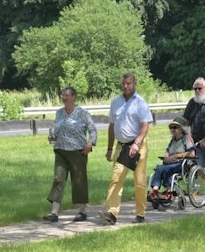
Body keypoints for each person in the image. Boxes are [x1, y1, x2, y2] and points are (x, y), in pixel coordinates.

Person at [102, 72, 154, 225]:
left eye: (129, 84)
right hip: (121, 146)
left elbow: (145, 125)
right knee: (116, 179)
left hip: (138, 145)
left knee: (139, 182)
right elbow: (112, 126)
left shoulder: (140, 103)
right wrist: (109, 148)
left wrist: (137, 143)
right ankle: (111, 213)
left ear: (134, 84)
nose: (126, 86)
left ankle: (140, 213)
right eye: (124, 84)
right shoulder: (116, 102)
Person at [44, 85, 95, 222]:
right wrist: (52, 137)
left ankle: (82, 211)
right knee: (58, 179)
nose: (64, 98)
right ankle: (54, 213)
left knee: (79, 181)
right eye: (63, 96)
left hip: (78, 152)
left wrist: (90, 144)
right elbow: (56, 129)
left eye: (67, 95)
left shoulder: (83, 113)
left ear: (73, 97)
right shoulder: (59, 113)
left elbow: (93, 130)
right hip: (61, 151)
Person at [149, 119, 191, 203]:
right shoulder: (173, 140)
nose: (172, 129)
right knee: (159, 168)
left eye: (174, 127)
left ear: (181, 129)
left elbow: (192, 153)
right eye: (171, 128)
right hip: (171, 163)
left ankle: (169, 192)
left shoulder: (186, 139)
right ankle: (155, 190)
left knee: (166, 169)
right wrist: (166, 157)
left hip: (182, 164)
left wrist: (177, 156)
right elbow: (167, 151)